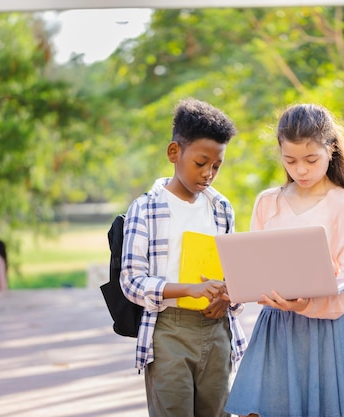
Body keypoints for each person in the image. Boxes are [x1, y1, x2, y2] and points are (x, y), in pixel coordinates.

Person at [224, 103, 344, 417]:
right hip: (277, 328)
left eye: (311, 159)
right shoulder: (268, 202)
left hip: (326, 332)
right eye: (290, 160)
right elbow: (256, 268)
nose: (301, 170)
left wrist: (306, 303)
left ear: (331, 150)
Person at [119, 98, 246, 417]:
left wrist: (230, 295)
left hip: (216, 332)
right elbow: (131, 282)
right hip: (169, 332)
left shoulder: (221, 208)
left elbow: (236, 273)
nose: (209, 174)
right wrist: (188, 289)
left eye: (217, 166)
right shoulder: (146, 208)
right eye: (201, 163)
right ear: (174, 153)